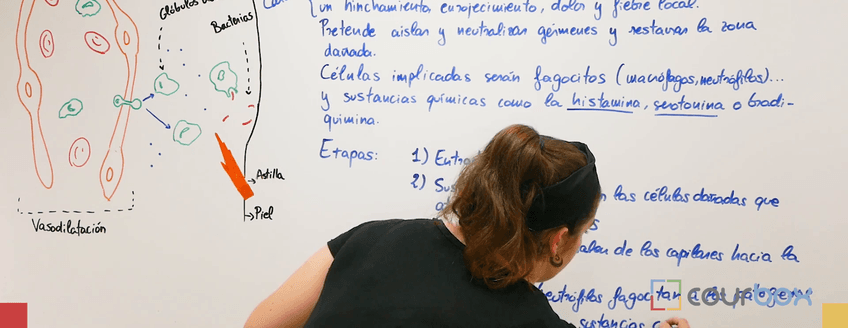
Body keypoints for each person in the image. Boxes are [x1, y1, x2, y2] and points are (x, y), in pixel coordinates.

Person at [244, 124, 691, 328]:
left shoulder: (371, 238)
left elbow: (259, 325)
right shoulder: (531, 321)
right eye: (585, 230)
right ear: (558, 240)